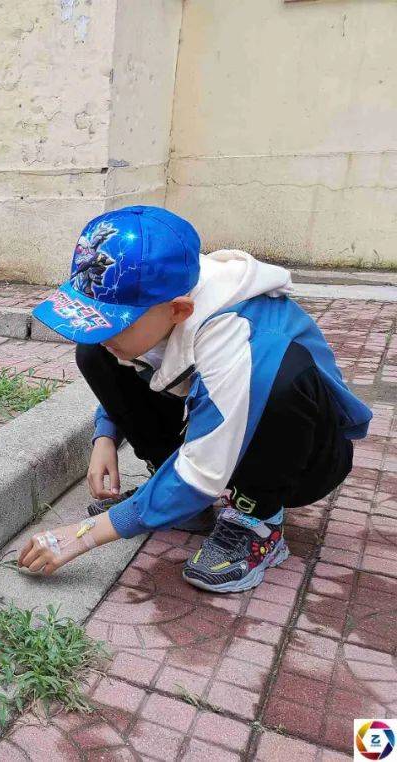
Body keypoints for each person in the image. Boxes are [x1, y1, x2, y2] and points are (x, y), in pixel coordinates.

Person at [19, 206, 371, 592]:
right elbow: (140, 363)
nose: (99, 331)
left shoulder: (242, 335)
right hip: (218, 419)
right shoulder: (163, 295)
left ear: (179, 311)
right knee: (97, 353)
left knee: (277, 378)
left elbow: (202, 471)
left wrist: (83, 535)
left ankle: (257, 520)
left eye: (114, 323)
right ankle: (177, 497)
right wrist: (106, 435)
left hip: (306, 457)